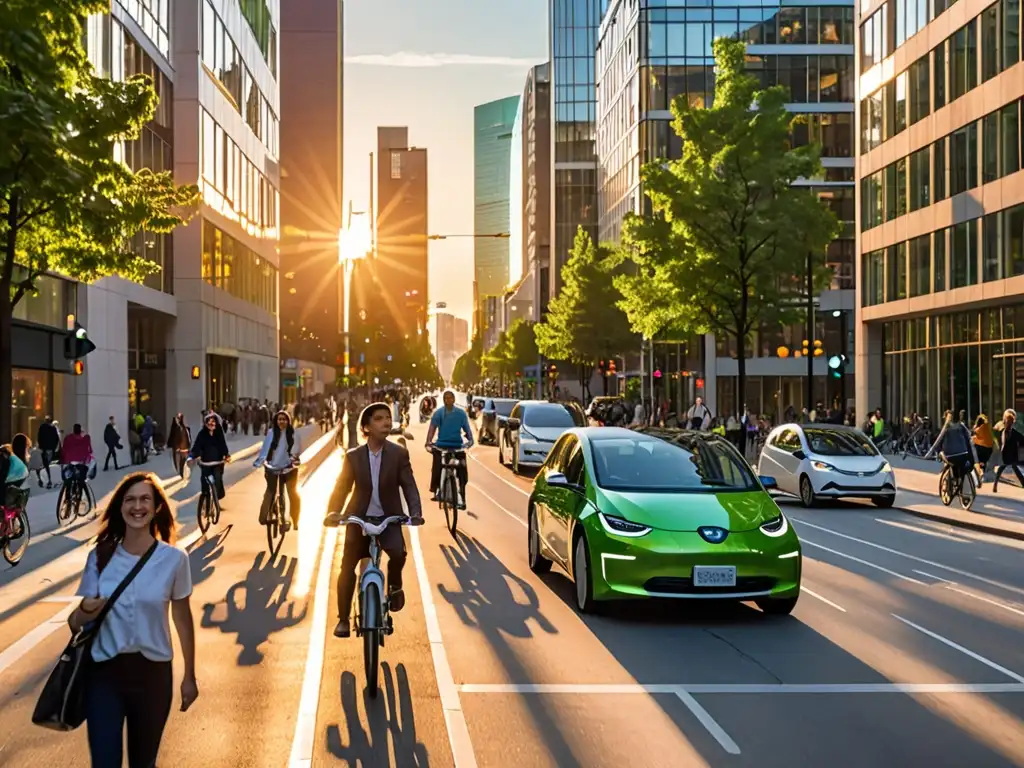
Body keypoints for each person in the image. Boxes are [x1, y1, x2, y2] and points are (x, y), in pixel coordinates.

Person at [70, 472, 197, 767]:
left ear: (156, 508)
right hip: (104, 674)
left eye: (144, 499)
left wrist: (189, 676)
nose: (137, 506)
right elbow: (75, 624)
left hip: (153, 675)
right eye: (129, 499)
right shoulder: (99, 557)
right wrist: (86, 610)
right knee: (104, 762)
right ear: (120, 507)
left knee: (144, 762)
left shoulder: (175, 560)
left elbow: (182, 618)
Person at [323, 402, 422, 639]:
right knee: (347, 566)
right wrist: (333, 512)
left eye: (388, 418)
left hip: (389, 518)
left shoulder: (399, 453)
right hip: (358, 518)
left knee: (398, 554)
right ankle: (344, 619)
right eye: (379, 418)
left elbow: (409, 486)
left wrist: (415, 512)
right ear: (366, 427)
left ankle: (395, 584)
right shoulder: (354, 456)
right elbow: (341, 487)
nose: (386, 422)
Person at [253, 410, 302, 531]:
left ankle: (294, 519)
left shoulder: (293, 434)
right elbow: (265, 449)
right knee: (270, 491)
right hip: (272, 467)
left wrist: (292, 459)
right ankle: (264, 516)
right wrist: (261, 461)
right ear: (276, 421)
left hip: (289, 468)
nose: (281, 421)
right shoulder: (271, 433)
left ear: (288, 421)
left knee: (292, 493)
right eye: (279, 419)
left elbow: (296, 449)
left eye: (284, 419)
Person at [424, 389, 473, 507]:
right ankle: (436, 490)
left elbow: (467, 430)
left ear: (454, 400)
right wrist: (428, 442)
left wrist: (470, 440)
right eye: (446, 398)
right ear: (443, 400)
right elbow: (432, 429)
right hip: (441, 446)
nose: (448, 400)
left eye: (450, 398)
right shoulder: (438, 413)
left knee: (462, 470)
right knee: (437, 466)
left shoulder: (461, 414)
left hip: (457, 446)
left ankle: (462, 494)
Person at [924, 410, 978, 486]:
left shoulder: (946, 426)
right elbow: (969, 435)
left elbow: (938, 440)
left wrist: (929, 453)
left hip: (950, 456)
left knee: (942, 455)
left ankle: (950, 478)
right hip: (964, 454)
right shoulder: (961, 425)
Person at [187, 413, 231, 503]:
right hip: (205, 463)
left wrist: (226, 455)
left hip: (217, 463)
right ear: (206, 423)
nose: (211, 424)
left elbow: (223, 445)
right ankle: (205, 498)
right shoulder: (202, 434)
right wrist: (191, 456)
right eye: (209, 422)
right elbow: (196, 447)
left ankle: (216, 499)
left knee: (218, 478)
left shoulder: (219, 433)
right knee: (204, 481)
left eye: (213, 422)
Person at [993, 409, 1024, 492]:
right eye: (1007, 421)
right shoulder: (1002, 431)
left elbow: (1022, 440)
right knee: (1001, 469)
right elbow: (996, 435)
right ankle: (995, 484)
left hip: (1013, 454)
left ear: (1013, 422)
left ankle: (1023, 483)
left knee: (1015, 468)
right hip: (1005, 454)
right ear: (1005, 421)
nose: (1009, 423)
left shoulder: (1014, 433)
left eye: (1010, 422)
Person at [61, 423, 95, 488]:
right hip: (81, 463)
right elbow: (90, 451)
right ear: (80, 431)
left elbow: (63, 450)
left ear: (73, 430)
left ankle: (68, 494)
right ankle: (82, 491)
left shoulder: (68, 438)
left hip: (69, 462)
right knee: (82, 480)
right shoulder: (86, 438)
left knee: (68, 480)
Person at [36, 415, 60, 489]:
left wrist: (40, 446)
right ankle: (49, 480)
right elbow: (56, 438)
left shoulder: (42, 427)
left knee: (45, 464)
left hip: (44, 448)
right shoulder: (53, 428)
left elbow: (39, 437)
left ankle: (45, 480)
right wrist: (54, 448)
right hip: (51, 449)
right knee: (49, 464)